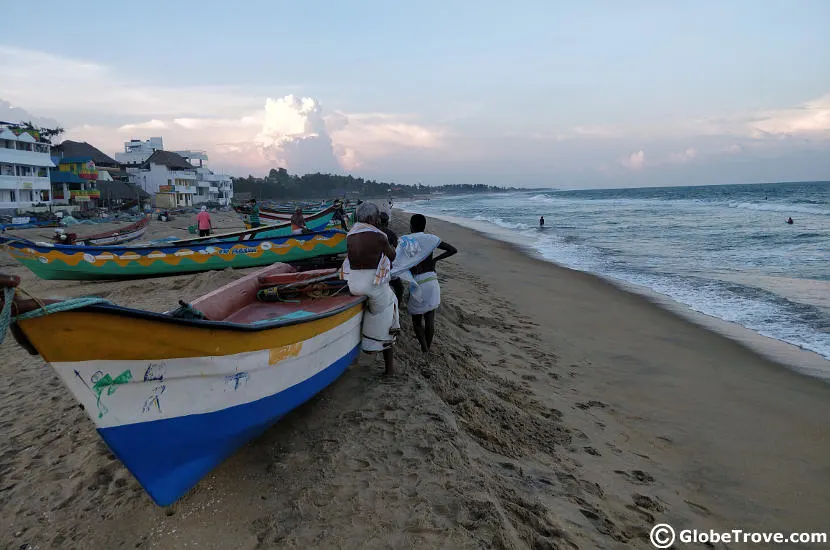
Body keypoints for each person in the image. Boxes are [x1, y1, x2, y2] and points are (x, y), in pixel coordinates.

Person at [342, 202, 400, 375]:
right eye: (375, 218)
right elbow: (393, 256)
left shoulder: (350, 235)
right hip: (372, 287)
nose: (377, 222)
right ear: (369, 218)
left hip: (353, 284)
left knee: (386, 298)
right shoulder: (379, 236)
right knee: (392, 305)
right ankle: (381, 358)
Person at [407, 214, 457, 358]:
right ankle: (427, 348)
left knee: (417, 322)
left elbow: (400, 261)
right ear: (424, 226)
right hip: (432, 280)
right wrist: (435, 260)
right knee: (430, 319)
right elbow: (453, 250)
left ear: (411, 226)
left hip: (418, 283)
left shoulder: (407, 241)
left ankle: (425, 349)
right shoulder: (431, 239)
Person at [379, 212, 404, 305]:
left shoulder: (372, 232)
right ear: (387, 222)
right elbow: (398, 248)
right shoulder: (390, 233)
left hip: (373, 265)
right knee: (400, 288)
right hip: (388, 267)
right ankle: (398, 306)